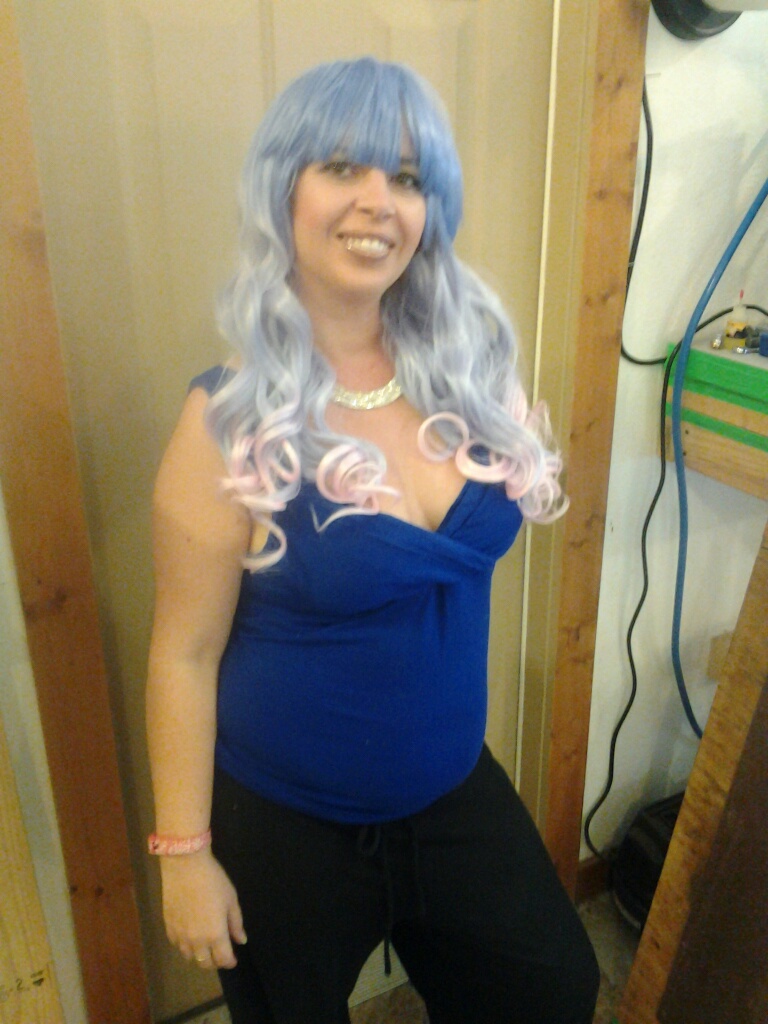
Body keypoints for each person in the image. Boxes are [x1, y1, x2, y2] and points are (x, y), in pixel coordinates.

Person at [146, 57, 599, 1024]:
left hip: (450, 789)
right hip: (285, 821)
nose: (377, 202)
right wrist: (184, 857)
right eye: (342, 167)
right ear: (284, 189)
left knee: (553, 989)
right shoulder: (227, 423)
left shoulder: (472, 381)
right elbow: (183, 652)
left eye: (407, 177)